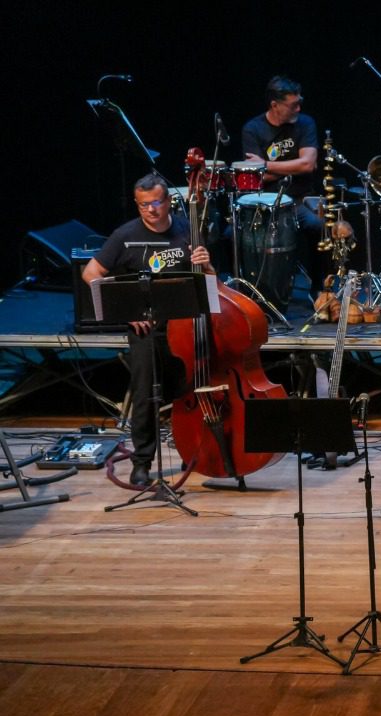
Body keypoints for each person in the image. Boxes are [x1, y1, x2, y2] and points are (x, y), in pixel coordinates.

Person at [81, 174, 212, 487]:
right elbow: (91, 273)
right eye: (144, 205)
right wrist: (126, 312)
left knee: (188, 392)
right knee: (145, 397)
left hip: (186, 329)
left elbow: (209, 281)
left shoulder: (187, 229)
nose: (151, 210)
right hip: (146, 331)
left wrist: (207, 266)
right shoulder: (124, 236)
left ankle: (189, 450)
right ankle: (141, 462)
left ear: (168, 201)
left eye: (156, 202)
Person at [241, 75, 323, 299]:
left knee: (319, 226)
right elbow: (257, 177)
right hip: (264, 203)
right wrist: (288, 166)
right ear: (275, 105)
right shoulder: (253, 129)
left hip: (297, 200)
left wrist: (266, 165)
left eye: (299, 102)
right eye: (293, 104)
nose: (298, 108)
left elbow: (307, 164)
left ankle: (320, 289)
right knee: (231, 235)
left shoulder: (306, 123)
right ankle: (250, 292)